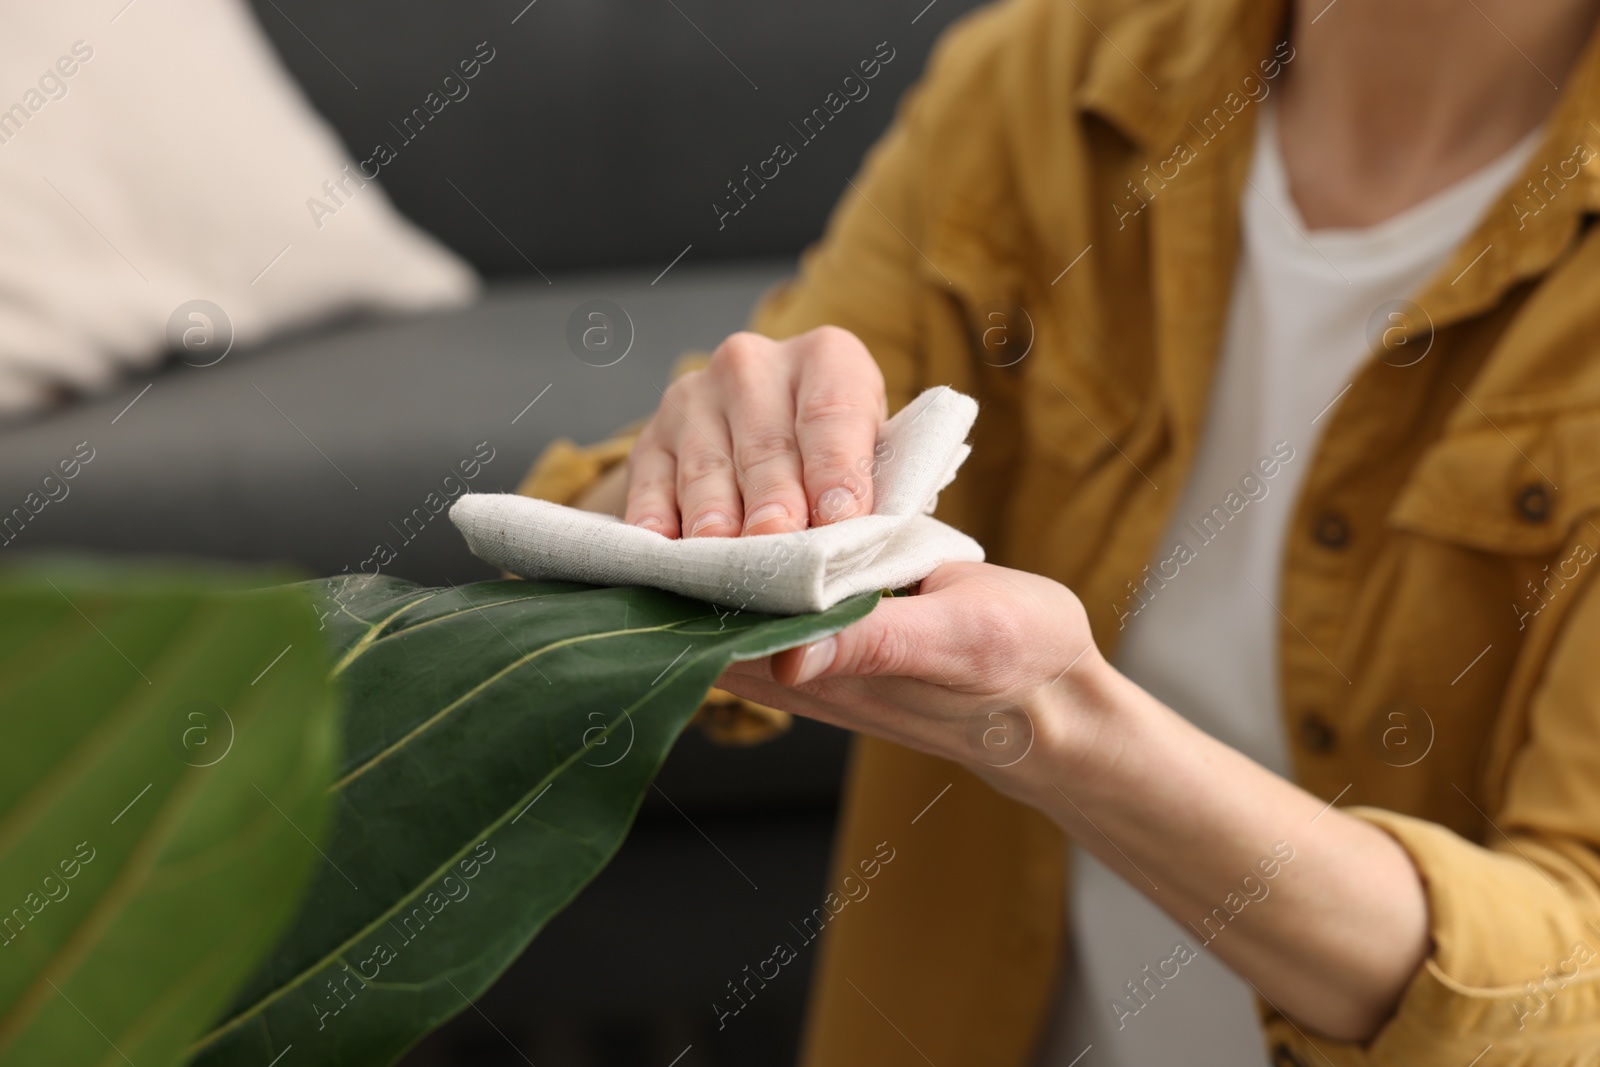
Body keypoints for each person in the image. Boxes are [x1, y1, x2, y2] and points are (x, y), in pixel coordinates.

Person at [535, 0, 1600, 1062]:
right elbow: (630, 536)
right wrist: (681, 495)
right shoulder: (1044, 74)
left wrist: (1060, 723)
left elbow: (1573, 976)